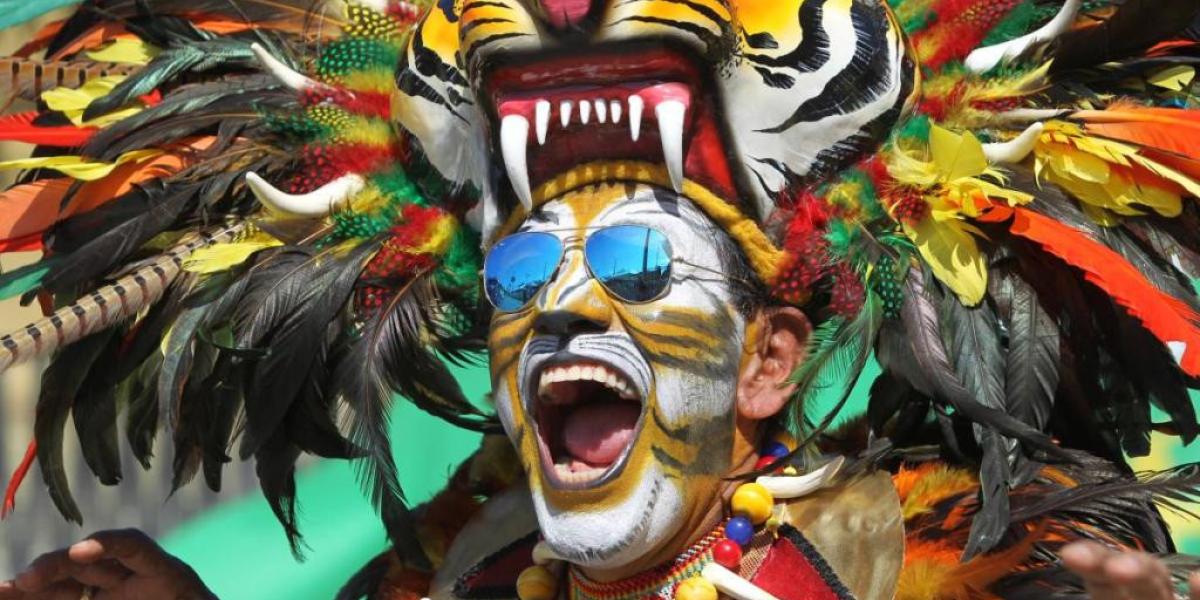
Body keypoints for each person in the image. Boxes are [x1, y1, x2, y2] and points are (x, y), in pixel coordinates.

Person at [4, 0, 1200, 598]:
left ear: (766, 362)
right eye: (522, 276)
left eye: (636, 265)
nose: (565, 312)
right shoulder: (468, 564)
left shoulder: (922, 555)